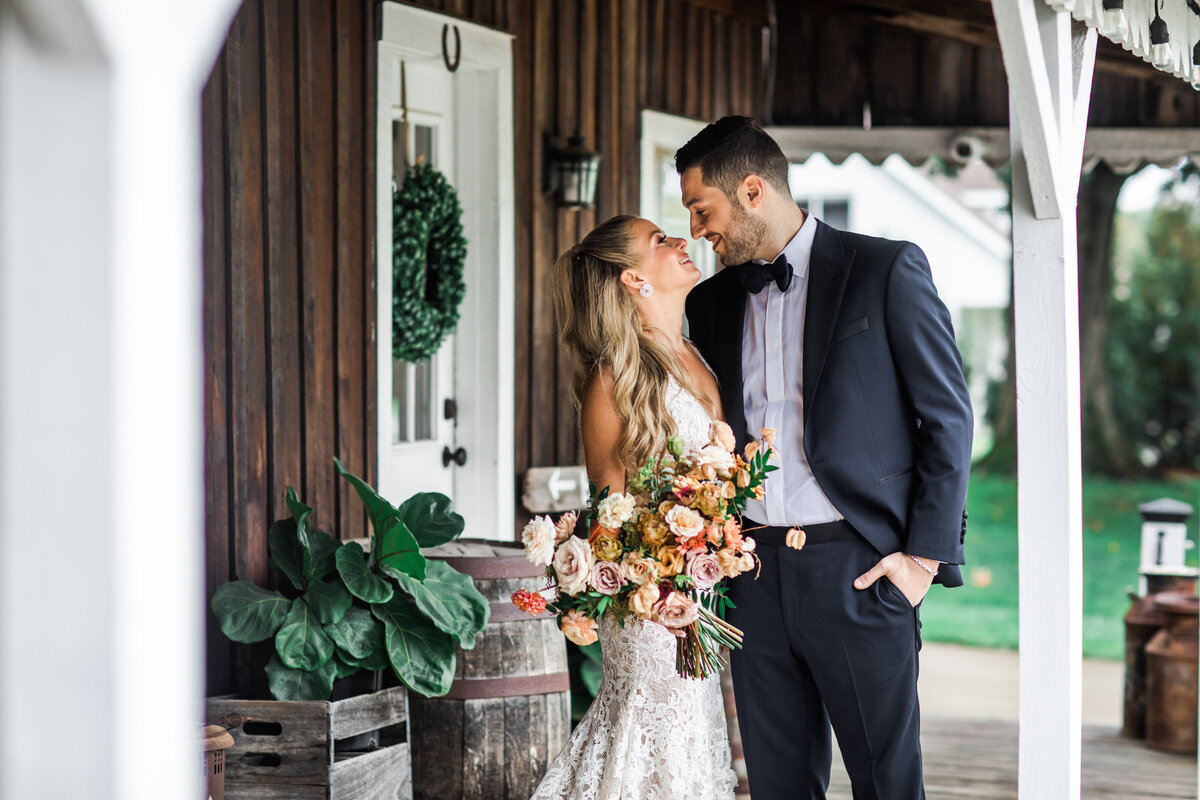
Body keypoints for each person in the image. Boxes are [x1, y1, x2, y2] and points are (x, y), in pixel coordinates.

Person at [678, 116, 972, 800]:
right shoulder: (712, 303)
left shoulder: (884, 268)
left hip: (861, 572)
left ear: (752, 190)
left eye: (703, 210)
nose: (696, 230)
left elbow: (948, 419)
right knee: (778, 787)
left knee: (886, 784)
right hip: (754, 580)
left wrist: (922, 559)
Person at [529, 215, 736, 800]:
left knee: (689, 740)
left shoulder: (692, 351)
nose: (680, 241)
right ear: (632, 279)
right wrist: (662, 573)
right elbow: (611, 515)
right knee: (648, 735)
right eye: (659, 241)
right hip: (648, 600)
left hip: (697, 587)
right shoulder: (612, 380)